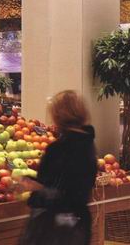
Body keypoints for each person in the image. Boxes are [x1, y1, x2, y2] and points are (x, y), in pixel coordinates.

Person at [19, 90, 98, 245]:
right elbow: (76, 187)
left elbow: (58, 192)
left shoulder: (58, 149)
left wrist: (33, 186)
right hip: (79, 224)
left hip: (54, 228)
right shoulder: (88, 144)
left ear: (58, 115)